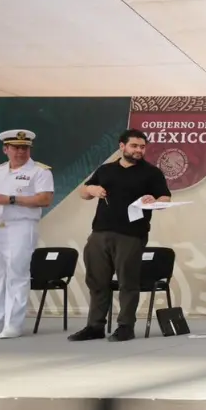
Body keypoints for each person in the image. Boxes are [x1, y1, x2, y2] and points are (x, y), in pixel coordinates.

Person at [68, 129, 171, 343]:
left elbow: (166, 198)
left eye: (142, 147)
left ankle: (125, 326)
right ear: (122, 146)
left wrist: (155, 200)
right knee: (97, 281)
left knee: (128, 282)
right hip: (100, 233)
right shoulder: (106, 170)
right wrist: (92, 189)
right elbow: (83, 192)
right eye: (134, 146)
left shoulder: (151, 173)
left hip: (132, 235)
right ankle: (95, 326)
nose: (139, 150)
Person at [0, 130, 53, 339]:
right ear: (6, 149)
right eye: (16, 147)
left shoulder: (40, 171)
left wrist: (11, 199)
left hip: (21, 227)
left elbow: (44, 199)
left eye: (25, 147)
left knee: (17, 274)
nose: (21, 151)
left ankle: (13, 323)